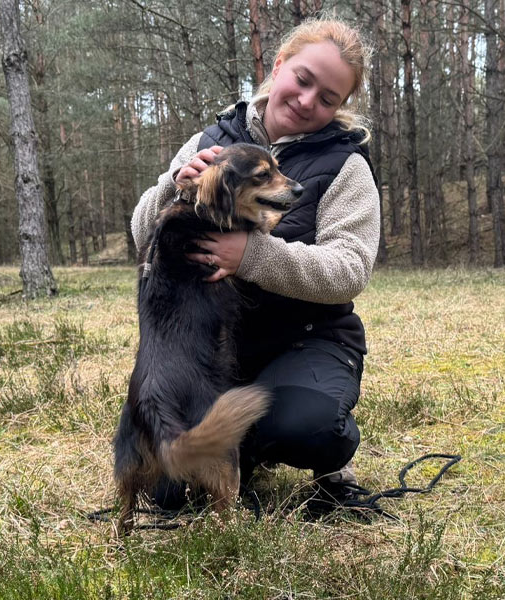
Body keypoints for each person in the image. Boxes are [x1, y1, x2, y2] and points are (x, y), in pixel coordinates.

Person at [130, 19, 380, 509]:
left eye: (328, 98)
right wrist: (175, 184)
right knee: (166, 490)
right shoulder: (212, 140)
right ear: (279, 65)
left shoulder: (345, 164)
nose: (309, 101)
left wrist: (252, 256)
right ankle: (236, 448)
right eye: (303, 80)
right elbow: (142, 234)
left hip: (306, 339)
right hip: (213, 350)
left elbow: (350, 268)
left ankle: (308, 455)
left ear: (340, 107)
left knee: (306, 428)